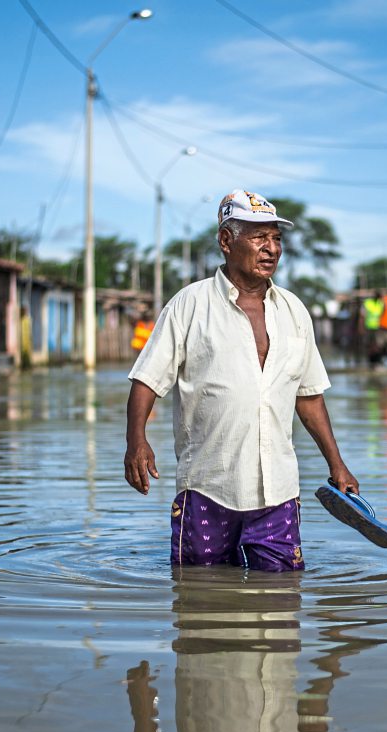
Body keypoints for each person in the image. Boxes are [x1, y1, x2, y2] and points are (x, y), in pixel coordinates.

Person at [124, 189, 359, 572]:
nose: (272, 249)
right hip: (207, 486)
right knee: (198, 598)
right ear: (226, 241)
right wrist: (137, 441)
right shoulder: (190, 305)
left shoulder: (294, 311)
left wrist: (338, 465)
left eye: (277, 239)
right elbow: (146, 381)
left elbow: (310, 397)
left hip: (278, 491)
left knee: (282, 602)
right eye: (259, 238)